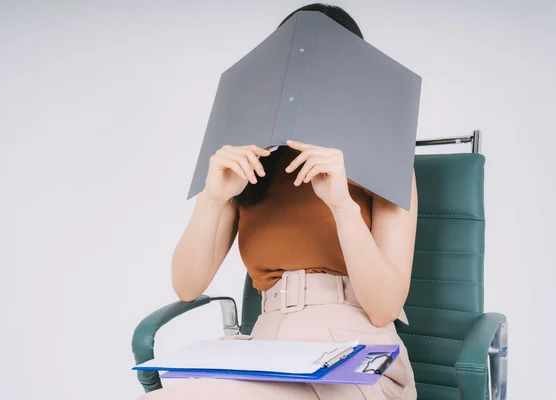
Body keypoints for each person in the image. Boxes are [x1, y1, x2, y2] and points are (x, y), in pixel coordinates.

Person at [140, 3, 418, 399]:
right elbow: (186, 286)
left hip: (356, 355)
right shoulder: (248, 165)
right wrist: (213, 198)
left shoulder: (385, 161)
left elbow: (382, 308)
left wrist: (342, 205)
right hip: (269, 351)